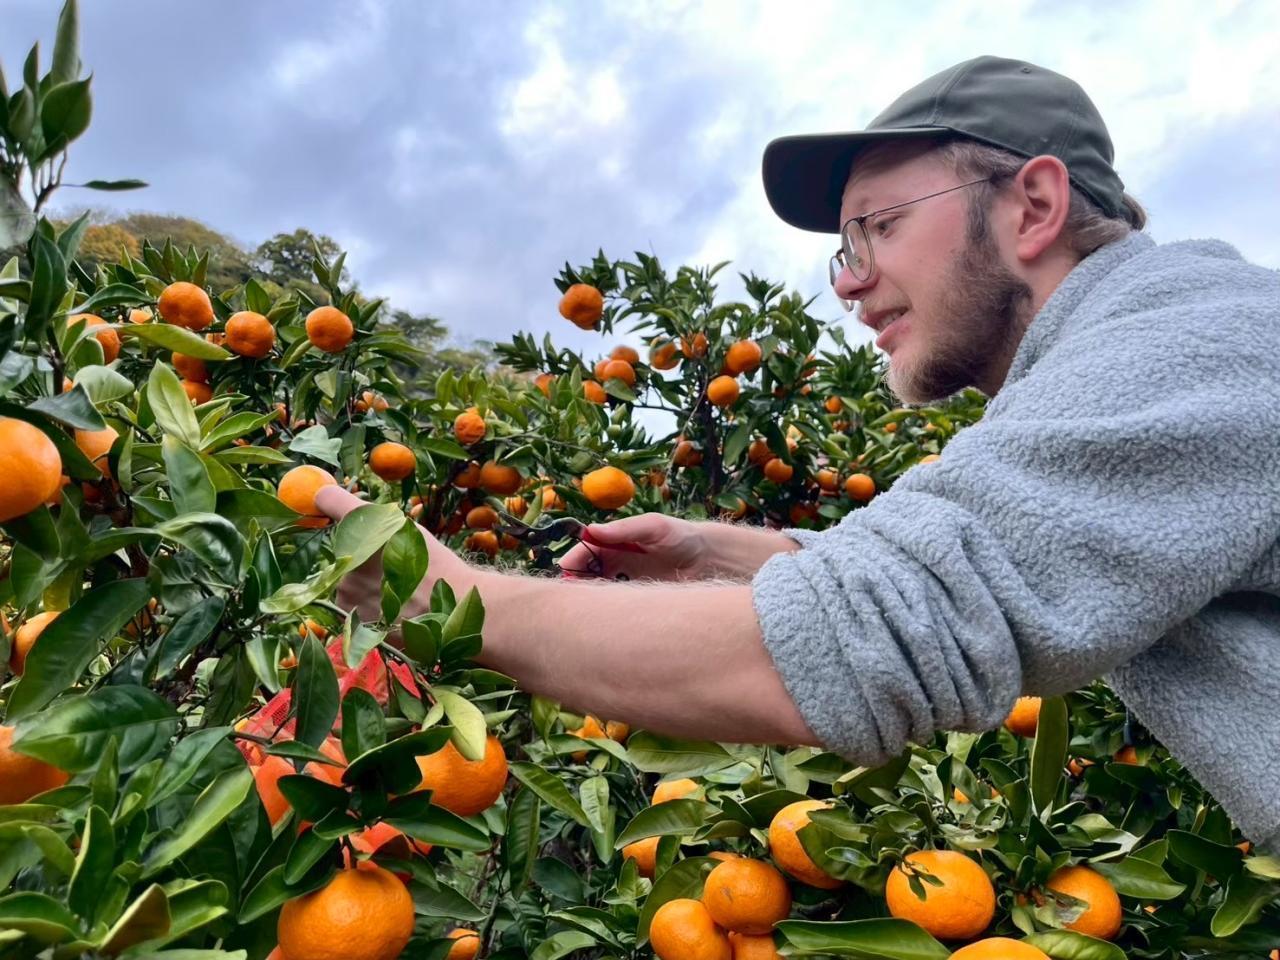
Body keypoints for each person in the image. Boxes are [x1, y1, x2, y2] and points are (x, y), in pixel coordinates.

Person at [318, 56, 1280, 850]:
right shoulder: (1143, 360)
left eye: (881, 227)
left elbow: (867, 644)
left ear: (1032, 206)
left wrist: (451, 603)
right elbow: (990, 562)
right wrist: (729, 552)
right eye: (843, 246)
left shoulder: (1192, 341)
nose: (851, 283)